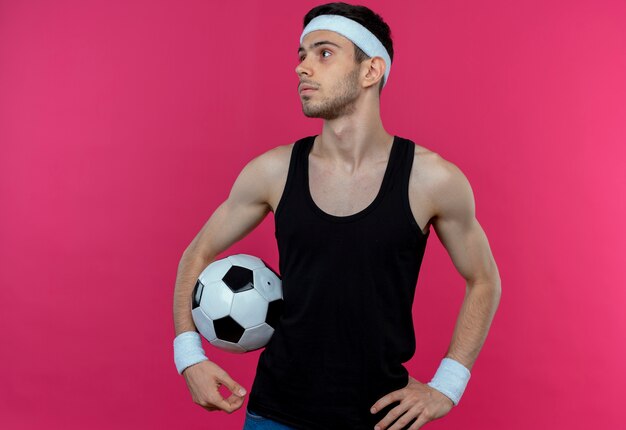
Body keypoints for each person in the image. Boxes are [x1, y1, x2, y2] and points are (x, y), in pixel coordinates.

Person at [172, 2, 501, 429]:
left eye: (324, 53)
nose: (302, 68)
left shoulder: (432, 179)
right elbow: (195, 254)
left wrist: (448, 384)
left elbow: (484, 278)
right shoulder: (272, 171)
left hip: (381, 417)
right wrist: (189, 356)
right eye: (302, 55)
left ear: (371, 71)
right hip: (275, 412)